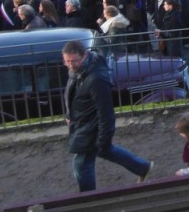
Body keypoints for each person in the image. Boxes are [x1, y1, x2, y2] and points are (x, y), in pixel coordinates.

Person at [61, 40, 153, 192]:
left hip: (90, 125)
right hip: (83, 122)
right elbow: (70, 93)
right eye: (67, 62)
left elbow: (106, 112)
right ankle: (142, 167)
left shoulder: (96, 78)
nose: (70, 65)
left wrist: (104, 136)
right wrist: (69, 113)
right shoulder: (81, 70)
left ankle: (88, 197)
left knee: (82, 162)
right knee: (104, 151)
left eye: (73, 61)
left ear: (84, 56)